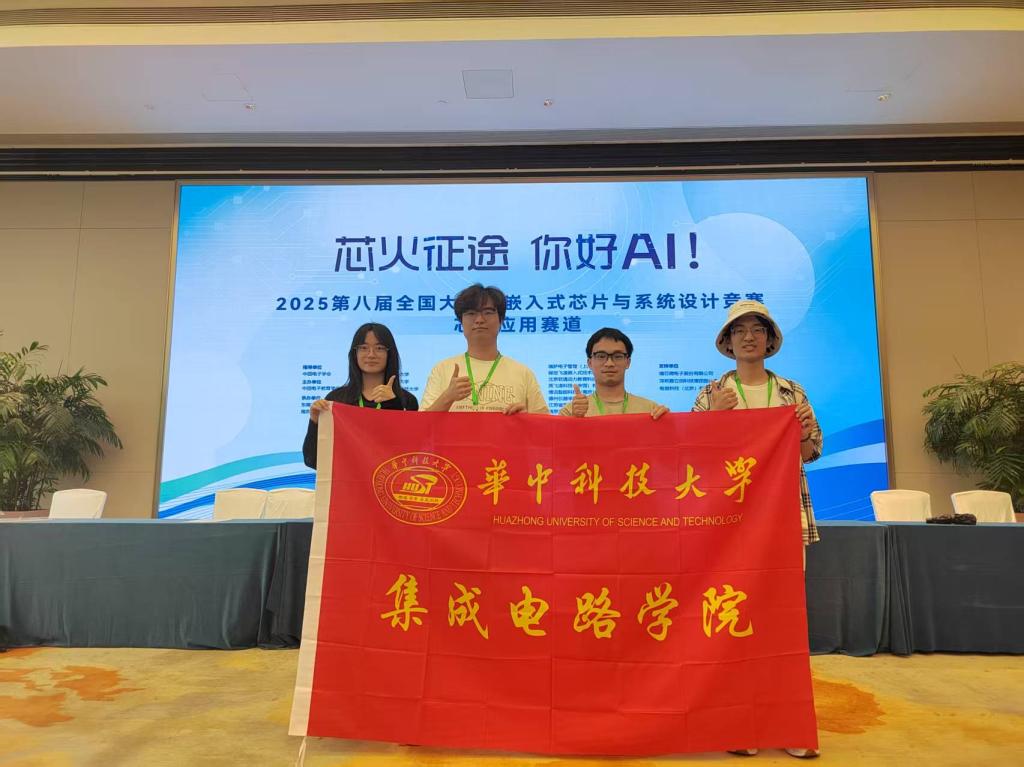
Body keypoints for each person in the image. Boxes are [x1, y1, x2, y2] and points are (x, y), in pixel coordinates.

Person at [692, 300, 822, 760]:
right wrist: (713, 419)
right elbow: (695, 457)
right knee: (735, 623)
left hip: (783, 522)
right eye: (739, 331)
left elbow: (810, 453)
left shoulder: (791, 392)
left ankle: (789, 724)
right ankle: (741, 722)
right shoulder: (713, 393)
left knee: (783, 624)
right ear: (727, 343)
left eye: (758, 329)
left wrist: (803, 433)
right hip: (729, 529)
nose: (749, 337)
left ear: (770, 340)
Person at [420, 283, 548, 415]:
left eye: (488, 312)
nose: (479, 320)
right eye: (471, 313)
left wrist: (526, 419)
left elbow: (545, 425)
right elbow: (421, 424)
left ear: (501, 320)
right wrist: (447, 397)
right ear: (461, 322)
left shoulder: (523, 373)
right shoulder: (442, 369)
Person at [302, 322, 418, 469]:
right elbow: (313, 460)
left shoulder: (406, 400)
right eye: (363, 348)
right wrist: (315, 421)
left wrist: (393, 405)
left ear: (390, 354)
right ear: (354, 353)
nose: (371, 354)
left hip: (388, 481)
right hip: (347, 482)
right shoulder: (337, 399)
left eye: (379, 348)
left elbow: (410, 457)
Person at [559, 327, 669, 419]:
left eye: (618, 356)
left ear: (628, 362)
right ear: (590, 363)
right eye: (601, 356)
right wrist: (575, 421)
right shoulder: (570, 412)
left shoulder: (651, 410)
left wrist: (667, 421)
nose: (609, 363)